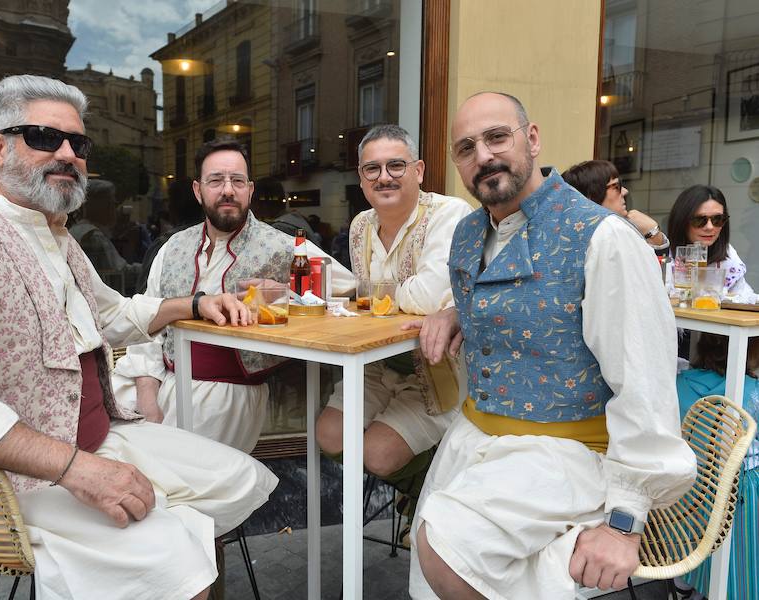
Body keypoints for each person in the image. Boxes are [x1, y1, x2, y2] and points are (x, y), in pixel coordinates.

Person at [0, 74, 277, 600]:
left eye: (79, 143)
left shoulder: (58, 238)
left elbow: (112, 313)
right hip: (27, 476)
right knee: (179, 573)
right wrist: (76, 469)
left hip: (102, 434)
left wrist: (197, 303)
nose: (68, 153)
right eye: (46, 138)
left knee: (239, 478)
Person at [405, 91, 696, 599]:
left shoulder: (603, 237)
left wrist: (624, 523)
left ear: (532, 139)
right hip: (474, 439)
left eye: (497, 137)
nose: (484, 156)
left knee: (444, 547)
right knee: (430, 573)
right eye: (467, 147)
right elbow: (514, 302)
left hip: (568, 452)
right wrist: (458, 312)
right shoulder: (470, 233)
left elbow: (644, 384)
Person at [112, 138, 354, 454]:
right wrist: (147, 397)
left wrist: (283, 294)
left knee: (183, 485)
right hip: (154, 385)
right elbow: (148, 327)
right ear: (199, 191)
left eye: (237, 181)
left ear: (250, 190)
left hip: (226, 398)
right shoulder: (172, 248)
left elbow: (349, 290)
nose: (228, 190)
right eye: (216, 181)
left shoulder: (282, 247)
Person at [314, 124, 473, 541]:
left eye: (396, 165)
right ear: (361, 179)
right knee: (328, 436)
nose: (384, 176)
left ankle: (430, 500)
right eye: (372, 169)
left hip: (439, 372)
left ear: (418, 170)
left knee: (378, 454)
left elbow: (426, 295)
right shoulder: (361, 225)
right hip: (376, 366)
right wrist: (368, 296)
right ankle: (418, 489)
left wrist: (364, 293)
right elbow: (380, 302)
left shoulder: (449, 214)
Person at [675, 333, 758, 600]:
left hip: (683, 495)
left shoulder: (680, 381)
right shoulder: (752, 392)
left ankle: (688, 585)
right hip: (736, 497)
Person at [666, 184, 756, 300]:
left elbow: (747, 299)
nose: (709, 227)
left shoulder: (728, 257)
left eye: (717, 220)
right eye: (699, 220)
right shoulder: (662, 258)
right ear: (681, 222)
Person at [562, 159, 669, 251]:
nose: (625, 191)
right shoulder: (607, 236)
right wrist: (652, 232)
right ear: (590, 195)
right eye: (616, 186)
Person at [69, 179, 140, 294]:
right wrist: (150, 266)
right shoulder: (93, 237)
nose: (114, 209)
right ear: (100, 206)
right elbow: (121, 274)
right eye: (111, 204)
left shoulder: (75, 230)